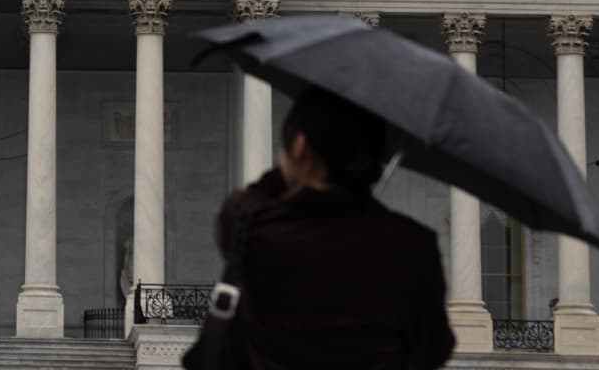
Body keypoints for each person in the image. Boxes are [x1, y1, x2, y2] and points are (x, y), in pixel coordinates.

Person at [187, 88, 454, 370]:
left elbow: (247, 202)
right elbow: (434, 348)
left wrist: (293, 171)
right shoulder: (414, 245)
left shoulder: (256, 230)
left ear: (300, 146)